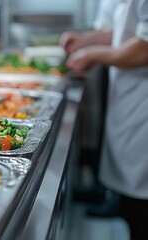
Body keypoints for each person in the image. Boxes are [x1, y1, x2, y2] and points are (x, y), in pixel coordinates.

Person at [62, 0, 148, 239]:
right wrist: (85, 41)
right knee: (132, 204)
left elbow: (144, 48)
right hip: (130, 98)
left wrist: (92, 54)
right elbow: (123, 31)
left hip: (143, 104)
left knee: (142, 207)